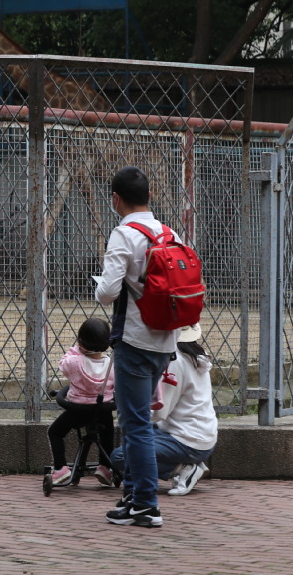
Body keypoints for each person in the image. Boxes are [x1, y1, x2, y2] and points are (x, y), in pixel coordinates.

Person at [94, 165, 181, 528]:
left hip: (134, 340)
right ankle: (132, 495)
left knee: (136, 425)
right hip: (166, 341)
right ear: (149, 196)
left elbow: (109, 292)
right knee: (137, 422)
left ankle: (146, 503)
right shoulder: (168, 231)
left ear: (116, 199)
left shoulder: (123, 234)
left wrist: (98, 285)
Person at [110, 323, 217, 496]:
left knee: (122, 455)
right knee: (137, 438)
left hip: (186, 439)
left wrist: (132, 413)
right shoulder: (196, 353)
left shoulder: (175, 362)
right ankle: (184, 465)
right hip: (199, 434)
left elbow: (161, 411)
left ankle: (183, 468)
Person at [48, 317, 116, 486]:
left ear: (81, 342)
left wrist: (77, 349)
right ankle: (105, 467)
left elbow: (62, 365)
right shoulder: (112, 365)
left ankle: (61, 468)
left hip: (77, 410)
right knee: (107, 433)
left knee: (55, 432)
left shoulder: (75, 361)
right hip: (102, 410)